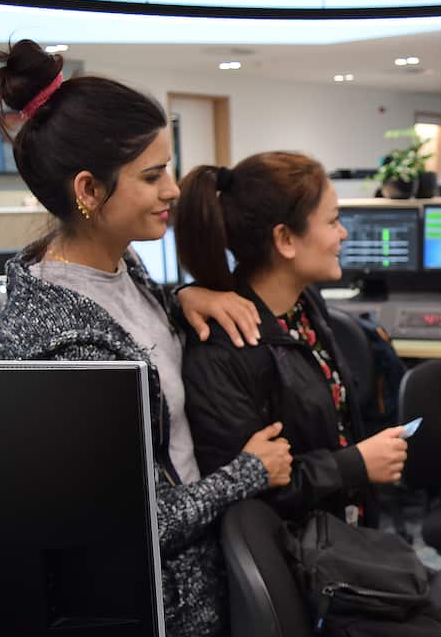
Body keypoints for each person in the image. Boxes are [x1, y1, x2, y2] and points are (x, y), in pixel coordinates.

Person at [0, 39, 293, 637]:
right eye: (152, 176)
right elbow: (127, 523)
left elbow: (134, 334)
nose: (172, 189)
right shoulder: (62, 350)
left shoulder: (120, 266)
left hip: (194, 578)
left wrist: (180, 299)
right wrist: (249, 472)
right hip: (154, 607)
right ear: (89, 191)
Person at [175, 154, 409, 527]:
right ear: (285, 239)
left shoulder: (304, 304)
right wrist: (356, 465)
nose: (343, 234)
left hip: (340, 535)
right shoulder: (223, 348)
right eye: (333, 221)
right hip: (297, 562)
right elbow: (252, 493)